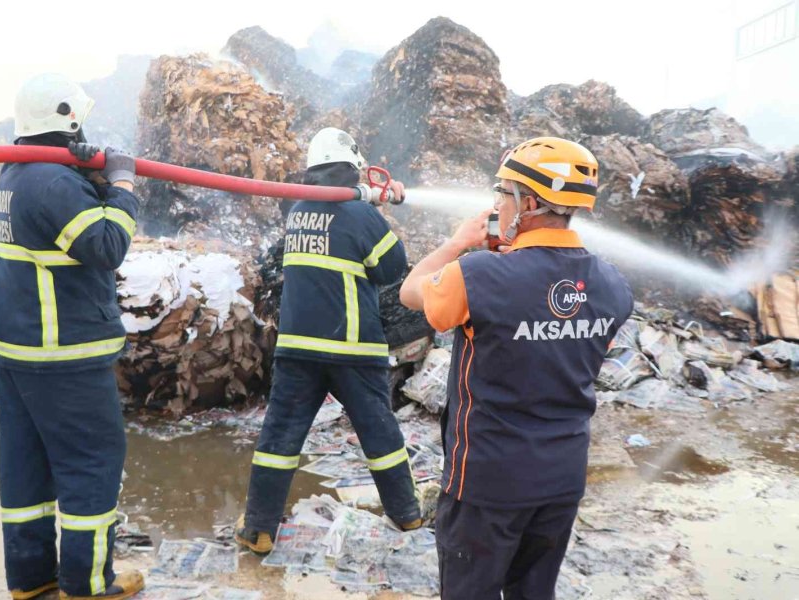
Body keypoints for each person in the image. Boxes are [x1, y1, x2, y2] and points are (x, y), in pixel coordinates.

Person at [399, 137, 634, 599]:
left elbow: (411, 292)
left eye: (502, 194)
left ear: (527, 203)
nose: (496, 205)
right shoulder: (613, 285)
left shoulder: (478, 275)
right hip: (562, 481)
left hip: (487, 483)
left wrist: (458, 243)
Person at [0, 72, 143, 599]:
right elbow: (105, 246)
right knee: (92, 463)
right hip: (63, 354)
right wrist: (121, 187)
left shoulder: (18, 173)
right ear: (68, 120)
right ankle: (89, 583)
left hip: (17, 351)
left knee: (27, 468)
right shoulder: (51, 181)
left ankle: (33, 579)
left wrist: (94, 186)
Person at [234, 127, 422, 554]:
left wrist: (371, 197)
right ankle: (407, 512)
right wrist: (379, 207)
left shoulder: (297, 208)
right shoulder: (361, 216)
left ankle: (259, 529)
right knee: (380, 434)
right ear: (353, 168)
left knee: (279, 437)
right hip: (353, 349)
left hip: (298, 348)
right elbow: (393, 268)